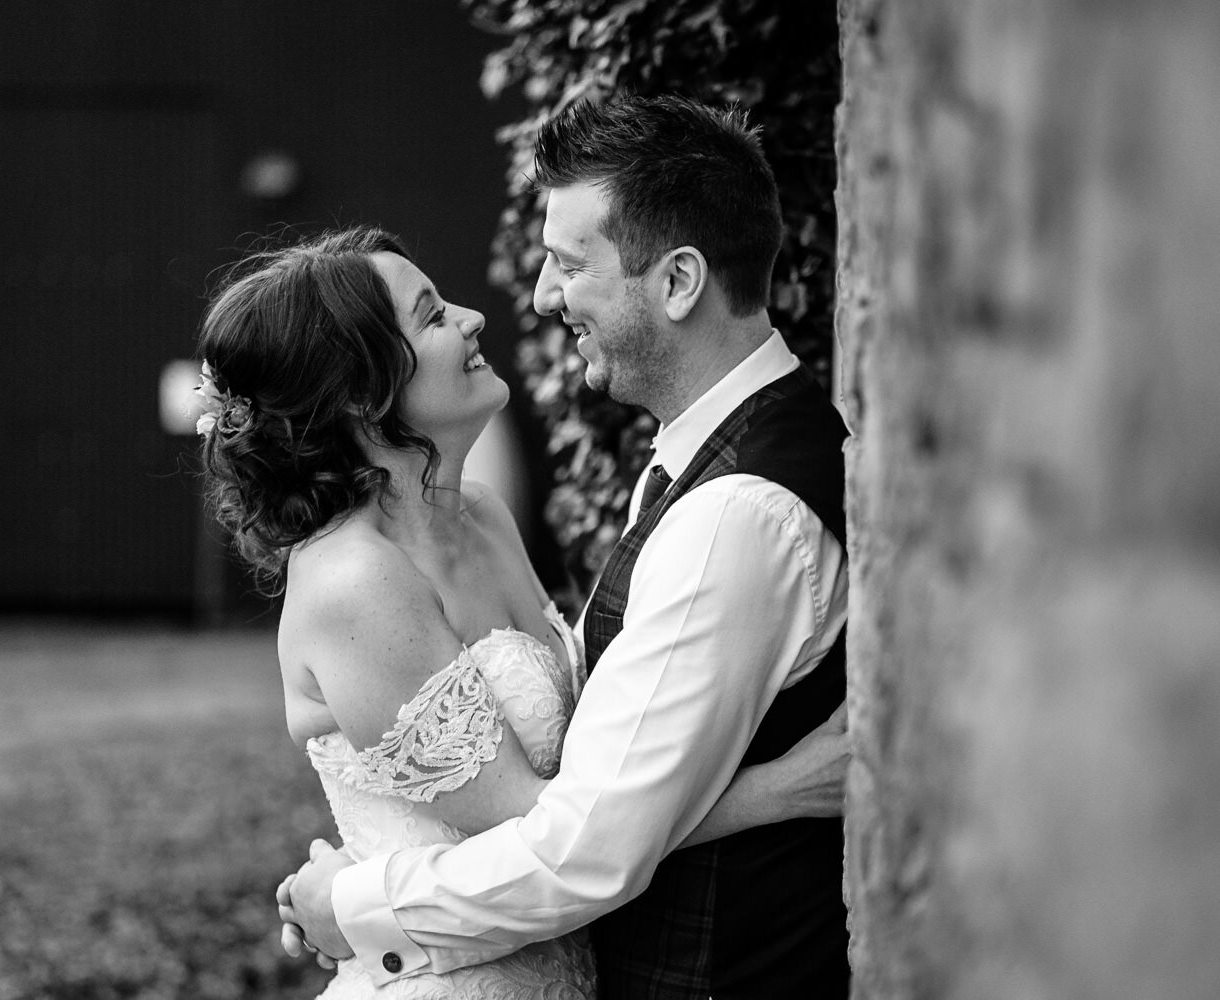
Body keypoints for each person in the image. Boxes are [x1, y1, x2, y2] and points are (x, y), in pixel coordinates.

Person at [284, 95, 852, 999]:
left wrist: (354, 907)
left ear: (676, 283)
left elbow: (584, 846)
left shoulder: (731, 512)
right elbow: (596, 794)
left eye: (568, 264)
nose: (540, 298)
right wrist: (773, 791)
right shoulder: (695, 466)